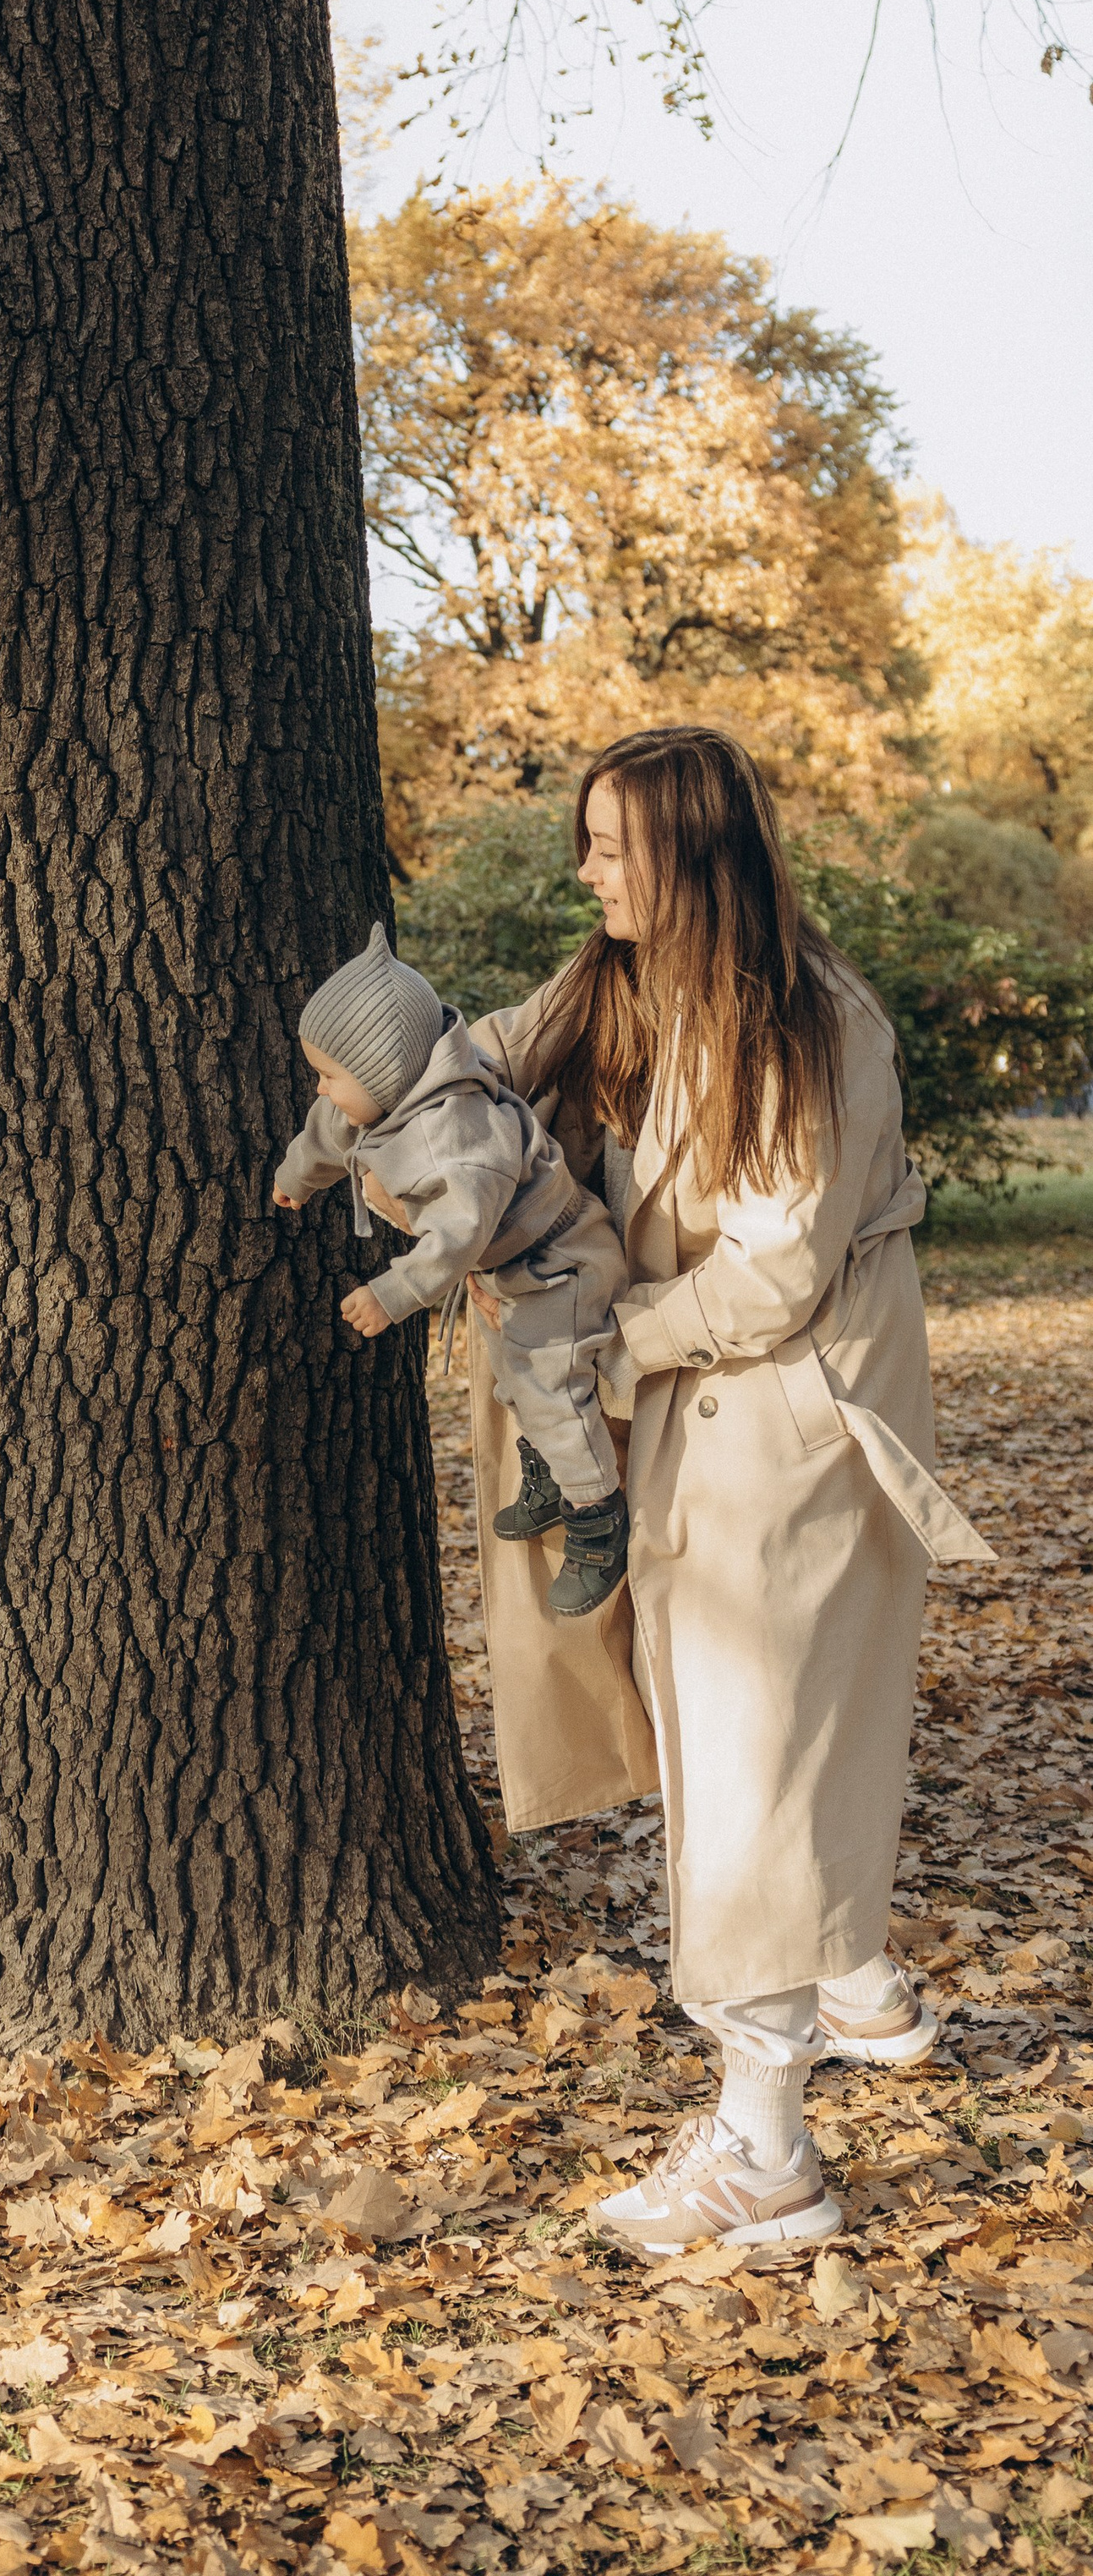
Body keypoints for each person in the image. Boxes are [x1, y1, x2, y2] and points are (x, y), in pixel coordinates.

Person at [466, 726, 992, 2255]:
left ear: (694, 857)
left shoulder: (806, 1024)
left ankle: (767, 2155)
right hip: (704, 1420)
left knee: (756, 1772)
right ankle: (844, 1986)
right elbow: (477, 1057)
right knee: (737, 1761)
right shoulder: (627, 984)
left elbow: (770, 1278)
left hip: (792, 1430)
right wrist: (372, 1093)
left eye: (613, 847)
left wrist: (599, 1343)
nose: (588, 872)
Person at [272, 927, 631, 1613]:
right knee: (510, 1373)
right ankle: (557, 1477)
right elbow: (329, 1128)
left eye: (331, 1075)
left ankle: (596, 1518)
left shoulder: (455, 1141)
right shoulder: (381, 1102)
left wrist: (393, 1293)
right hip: (513, 1262)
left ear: (386, 1076)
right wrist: (298, 1175)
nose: (321, 1088)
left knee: (551, 1384)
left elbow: (456, 1237)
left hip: (563, 1259)